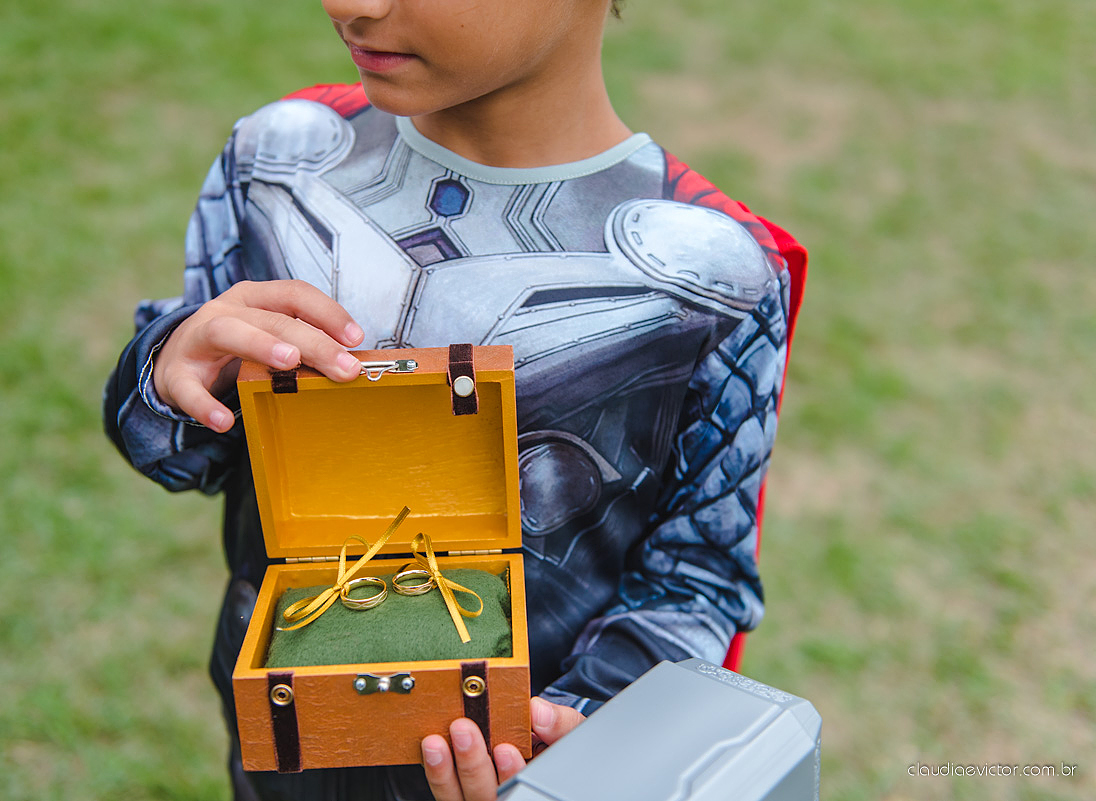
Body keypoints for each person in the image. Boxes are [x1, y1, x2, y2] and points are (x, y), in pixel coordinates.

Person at [103, 0, 808, 799]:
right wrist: (168, 373)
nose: (350, 4)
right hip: (278, 762)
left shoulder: (712, 273)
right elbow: (179, 455)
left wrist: (573, 744)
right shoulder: (278, 162)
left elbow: (696, 580)